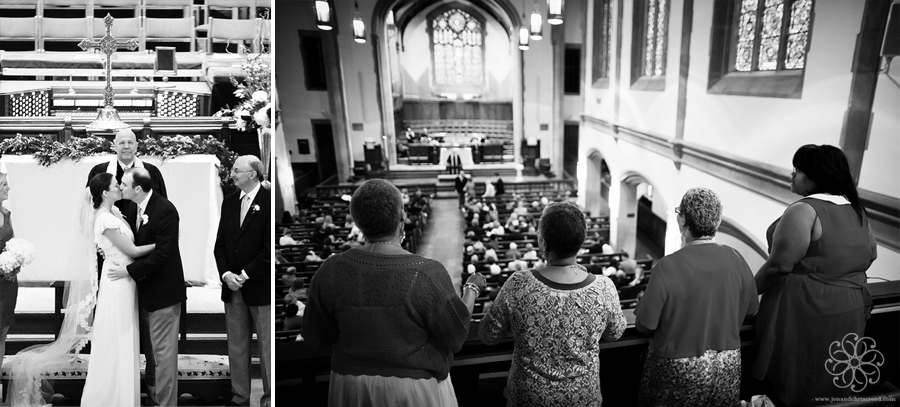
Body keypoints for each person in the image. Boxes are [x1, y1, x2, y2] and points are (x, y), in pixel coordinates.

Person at [303, 179, 487, 406]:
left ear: (358, 222)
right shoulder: (426, 273)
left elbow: (315, 337)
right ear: (402, 220)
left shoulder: (330, 270)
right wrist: (472, 288)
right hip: (411, 389)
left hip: (349, 387)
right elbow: (457, 333)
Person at [752, 145, 877, 406]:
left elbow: (779, 265)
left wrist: (746, 293)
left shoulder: (804, 210)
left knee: (798, 378)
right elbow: (871, 254)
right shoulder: (856, 210)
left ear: (815, 177)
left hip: (807, 309)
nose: (792, 175)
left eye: (798, 170)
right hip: (848, 307)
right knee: (830, 376)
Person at [479, 202, 627, 406]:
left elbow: (488, 335)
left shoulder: (519, 284)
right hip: (583, 398)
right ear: (581, 241)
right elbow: (615, 332)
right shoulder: (604, 288)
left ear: (542, 243)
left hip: (531, 398)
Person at [633, 187, 758, 406]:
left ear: (682, 221)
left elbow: (645, 325)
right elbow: (751, 311)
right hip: (726, 365)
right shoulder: (736, 258)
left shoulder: (667, 267)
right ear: (716, 222)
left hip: (678, 369)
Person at [85, 128, 166, 398]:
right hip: (120, 266)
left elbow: (161, 210)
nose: (127, 146)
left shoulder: (150, 172)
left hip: (142, 265)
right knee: (120, 331)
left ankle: (149, 387)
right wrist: (165, 244)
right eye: (122, 142)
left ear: (137, 145)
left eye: (131, 141)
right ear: (114, 145)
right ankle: (116, 392)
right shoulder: (100, 173)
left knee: (142, 326)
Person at [108, 167, 186, 407]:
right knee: (153, 355)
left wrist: (129, 271)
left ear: (138, 189)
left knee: (163, 357)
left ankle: (165, 404)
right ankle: (155, 400)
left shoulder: (165, 210)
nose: (121, 187)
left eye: (124, 184)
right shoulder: (134, 208)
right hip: (146, 291)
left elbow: (164, 253)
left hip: (163, 293)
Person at [80, 173, 158, 406]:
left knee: (126, 333)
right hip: (117, 281)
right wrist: (163, 244)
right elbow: (132, 251)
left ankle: (124, 395)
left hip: (126, 279)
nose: (120, 187)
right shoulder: (104, 218)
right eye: (117, 185)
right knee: (117, 333)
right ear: (105, 193)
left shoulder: (114, 213)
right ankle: (110, 396)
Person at [214, 155, 272, 407]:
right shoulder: (228, 202)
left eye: (237, 170)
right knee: (236, 347)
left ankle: (269, 399)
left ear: (253, 174)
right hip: (233, 287)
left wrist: (245, 274)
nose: (233, 174)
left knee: (267, 349)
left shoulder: (268, 201)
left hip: (259, 285)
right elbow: (220, 245)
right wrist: (226, 274)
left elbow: (268, 249)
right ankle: (240, 398)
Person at [0, 173, 14, 374]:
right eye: (4, 184)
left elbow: (12, 242)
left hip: (8, 280)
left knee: (2, 332)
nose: (8, 188)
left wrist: (16, 259)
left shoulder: (7, 213)